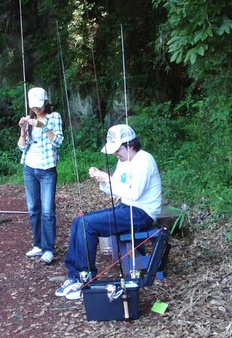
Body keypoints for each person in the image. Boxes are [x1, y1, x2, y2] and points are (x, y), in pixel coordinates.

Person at [55, 124, 162, 300]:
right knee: (79, 222)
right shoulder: (123, 161)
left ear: (130, 145)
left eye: (117, 150)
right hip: (126, 208)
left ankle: (85, 276)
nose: (115, 154)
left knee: (86, 224)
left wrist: (108, 179)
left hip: (142, 213)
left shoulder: (144, 160)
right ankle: (74, 275)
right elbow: (116, 190)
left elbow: (134, 193)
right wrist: (102, 180)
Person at [18, 87, 64, 265]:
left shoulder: (54, 117)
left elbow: (59, 141)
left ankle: (48, 249)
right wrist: (23, 129)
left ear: (46, 102)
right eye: (34, 106)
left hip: (47, 169)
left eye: (39, 105)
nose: (36, 109)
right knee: (33, 209)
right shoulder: (29, 119)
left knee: (47, 211)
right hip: (29, 168)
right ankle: (38, 245)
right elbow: (22, 147)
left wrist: (43, 126)